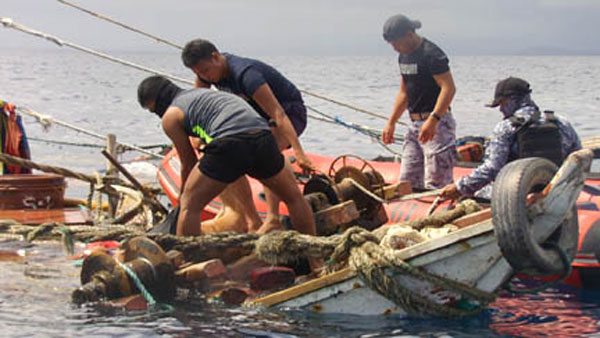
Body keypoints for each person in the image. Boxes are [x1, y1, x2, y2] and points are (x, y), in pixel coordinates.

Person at [137, 75, 317, 239]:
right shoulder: (205, 95)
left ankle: (188, 261)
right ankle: (314, 259)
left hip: (230, 143)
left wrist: (184, 196)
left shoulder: (170, 116)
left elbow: (188, 162)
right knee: (294, 198)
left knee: (190, 206)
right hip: (262, 137)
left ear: (155, 102)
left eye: (153, 110)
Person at [181, 39, 315, 233]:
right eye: (198, 73)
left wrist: (299, 152)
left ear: (216, 57)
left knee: (268, 153)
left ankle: (272, 218)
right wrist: (196, 136)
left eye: (205, 71)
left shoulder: (246, 74)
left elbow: (278, 114)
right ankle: (251, 220)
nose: (203, 76)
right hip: (255, 119)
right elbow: (197, 105)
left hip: (288, 111)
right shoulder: (206, 75)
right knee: (232, 156)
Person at [440, 77, 582, 200]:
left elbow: (492, 168)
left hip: (516, 194)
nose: (501, 109)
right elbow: (577, 158)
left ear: (512, 99)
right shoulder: (561, 122)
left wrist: (460, 187)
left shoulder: (506, 128)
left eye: (501, 104)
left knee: (474, 194)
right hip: (553, 191)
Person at [381, 14, 457, 191]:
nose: (395, 48)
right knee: (407, 180)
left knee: (436, 183)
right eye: (391, 45)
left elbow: (449, 88)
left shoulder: (431, 54)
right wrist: (391, 122)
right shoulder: (403, 56)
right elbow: (404, 92)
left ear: (409, 35)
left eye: (396, 43)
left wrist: (434, 119)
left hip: (437, 122)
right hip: (414, 123)